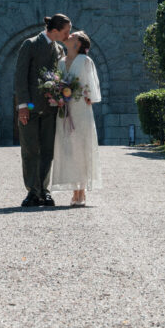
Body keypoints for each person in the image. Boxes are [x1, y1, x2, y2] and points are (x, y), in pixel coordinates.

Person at [14, 13, 71, 208]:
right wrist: (23, 106)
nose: (68, 35)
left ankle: (44, 191)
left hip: (51, 109)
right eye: (66, 31)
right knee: (30, 150)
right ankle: (32, 191)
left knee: (47, 150)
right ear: (54, 30)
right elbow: (20, 76)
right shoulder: (30, 45)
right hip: (29, 108)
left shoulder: (59, 49)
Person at [50, 30, 102, 206]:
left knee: (82, 146)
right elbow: (57, 83)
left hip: (80, 108)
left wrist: (89, 96)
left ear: (78, 43)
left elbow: (91, 85)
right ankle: (75, 191)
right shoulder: (61, 62)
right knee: (69, 149)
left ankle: (82, 192)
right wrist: (57, 96)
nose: (69, 35)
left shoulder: (85, 60)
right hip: (65, 109)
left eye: (73, 35)